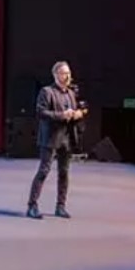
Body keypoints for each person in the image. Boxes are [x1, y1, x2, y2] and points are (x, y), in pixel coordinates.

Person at [27, 61, 88, 219]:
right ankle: (32, 206)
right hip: (50, 137)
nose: (66, 76)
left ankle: (60, 206)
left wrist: (78, 114)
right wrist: (62, 115)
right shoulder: (47, 92)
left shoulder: (71, 93)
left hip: (67, 139)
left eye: (68, 73)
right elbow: (41, 112)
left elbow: (77, 111)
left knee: (64, 173)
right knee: (44, 171)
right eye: (63, 73)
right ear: (55, 75)